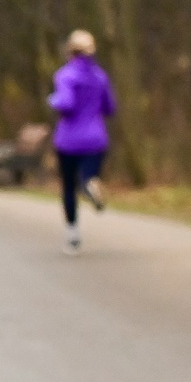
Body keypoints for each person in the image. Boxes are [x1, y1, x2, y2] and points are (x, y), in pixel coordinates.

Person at [49, 29, 114, 250]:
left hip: (68, 140)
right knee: (88, 176)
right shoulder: (100, 76)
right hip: (96, 138)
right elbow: (110, 107)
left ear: (70, 52)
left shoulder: (65, 75)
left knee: (68, 186)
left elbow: (66, 104)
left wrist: (53, 100)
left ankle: (73, 232)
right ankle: (90, 183)